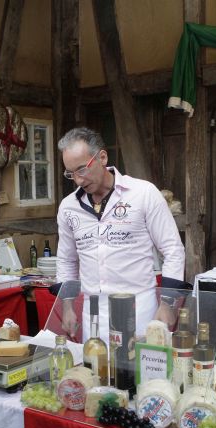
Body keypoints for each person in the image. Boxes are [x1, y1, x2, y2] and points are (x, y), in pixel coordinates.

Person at [55, 127, 186, 341]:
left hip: (139, 308)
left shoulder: (143, 193)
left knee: (138, 363)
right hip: (93, 312)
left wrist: (167, 303)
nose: (78, 180)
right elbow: (66, 259)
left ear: (102, 158)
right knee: (95, 362)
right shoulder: (68, 207)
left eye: (82, 169)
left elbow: (172, 249)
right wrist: (67, 306)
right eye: (71, 173)